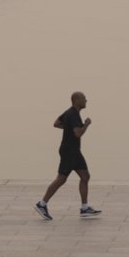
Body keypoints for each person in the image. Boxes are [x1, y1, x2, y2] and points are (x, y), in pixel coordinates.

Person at [36, 91, 100, 219]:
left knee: (85, 176)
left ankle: (84, 208)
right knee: (61, 179)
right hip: (69, 151)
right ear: (76, 100)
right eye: (84, 98)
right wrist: (86, 124)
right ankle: (42, 204)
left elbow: (57, 123)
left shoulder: (70, 112)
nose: (86, 100)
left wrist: (69, 128)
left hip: (74, 151)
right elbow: (78, 134)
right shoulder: (73, 114)